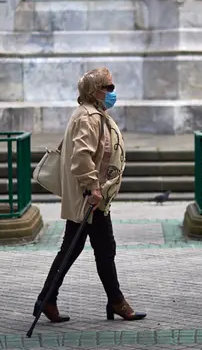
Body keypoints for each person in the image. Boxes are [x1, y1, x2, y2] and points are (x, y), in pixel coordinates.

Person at [34, 68, 147, 323]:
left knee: (95, 249)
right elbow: (82, 156)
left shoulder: (93, 113)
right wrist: (93, 187)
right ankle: (114, 302)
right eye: (107, 87)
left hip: (92, 196)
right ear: (93, 90)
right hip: (89, 197)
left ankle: (49, 300)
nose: (112, 92)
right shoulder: (88, 117)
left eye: (112, 86)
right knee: (92, 249)